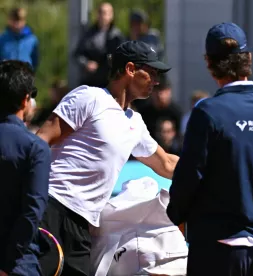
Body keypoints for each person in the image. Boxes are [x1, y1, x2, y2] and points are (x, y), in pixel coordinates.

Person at [166, 22, 253, 276]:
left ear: (209, 63)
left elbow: (188, 177)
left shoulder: (207, 112)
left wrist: (175, 215)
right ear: (247, 59)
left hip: (216, 244)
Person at [35, 40, 179, 275]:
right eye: (151, 73)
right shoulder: (89, 97)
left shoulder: (135, 122)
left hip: (83, 225)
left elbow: (166, 163)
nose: (156, 81)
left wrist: (212, 169)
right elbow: (41, 141)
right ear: (130, 69)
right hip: (51, 208)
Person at [0, 60, 50, 276]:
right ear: (25, 99)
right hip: (19, 264)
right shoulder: (35, 148)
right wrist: (7, 265)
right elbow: (32, 212)